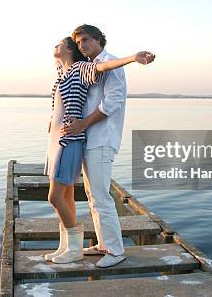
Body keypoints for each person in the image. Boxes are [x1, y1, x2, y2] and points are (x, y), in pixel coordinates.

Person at [45, 36, 154, 264]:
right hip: (85, 139)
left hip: (100, 139)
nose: (82, 45)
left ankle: (115, 251)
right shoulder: (71, 70)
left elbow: (111, 101)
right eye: (78, 41)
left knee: (101, 197)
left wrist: (133, 58)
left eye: (85, 40)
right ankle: (102, 244)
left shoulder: (96, 65)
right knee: (92, 196)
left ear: (98, 41)